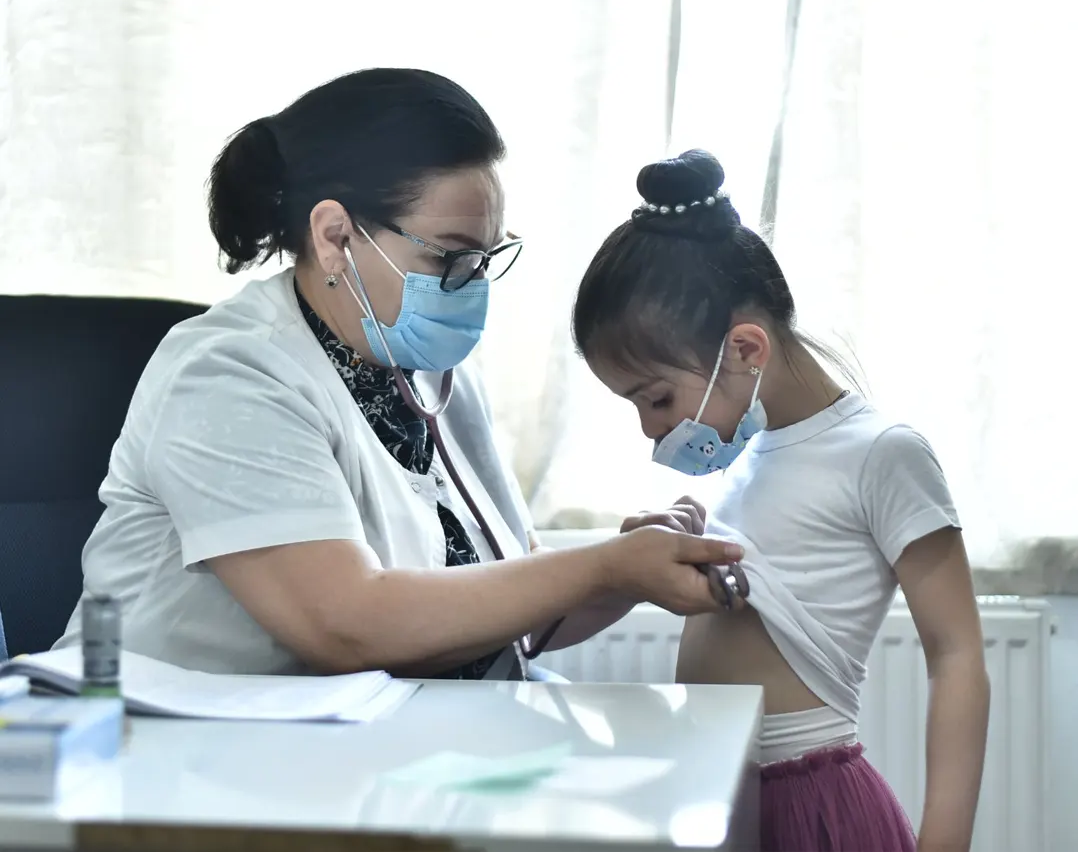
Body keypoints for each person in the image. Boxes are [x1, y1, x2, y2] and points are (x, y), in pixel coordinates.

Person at [55, 70, 745, 678]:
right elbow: (345, 624)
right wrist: (602, 567)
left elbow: (508, 604)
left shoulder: (430, 374)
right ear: (335, 237)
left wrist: (630, 567)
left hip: (391, 742)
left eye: (485, 259)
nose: (472, 284)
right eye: (448, 257)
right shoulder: (228, 376)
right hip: (184, 755)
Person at [573, 149, 989, 852]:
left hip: (810, 804)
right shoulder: (752, 457)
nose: (649, 428)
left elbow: (957, 655)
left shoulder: (882, 453)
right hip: (722, 795)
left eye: (656, 398)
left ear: (745, 349)